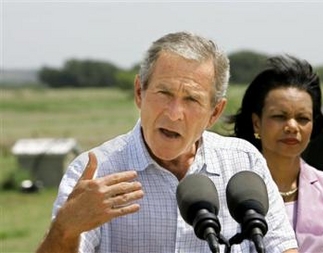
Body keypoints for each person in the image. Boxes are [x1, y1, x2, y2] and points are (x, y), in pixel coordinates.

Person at [36, 32, 298, 253]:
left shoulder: (244, 162)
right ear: (140, 93)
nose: (174, 113)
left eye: (191, 100)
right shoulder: (96, 172)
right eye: (164, 93)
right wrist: (65, 228)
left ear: (215, 113)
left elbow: (281, 245)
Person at [227, 55, 323, 252]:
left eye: (303, 118)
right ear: (256, 123)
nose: (292, 126)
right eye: (280, 116)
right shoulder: (228, 189)